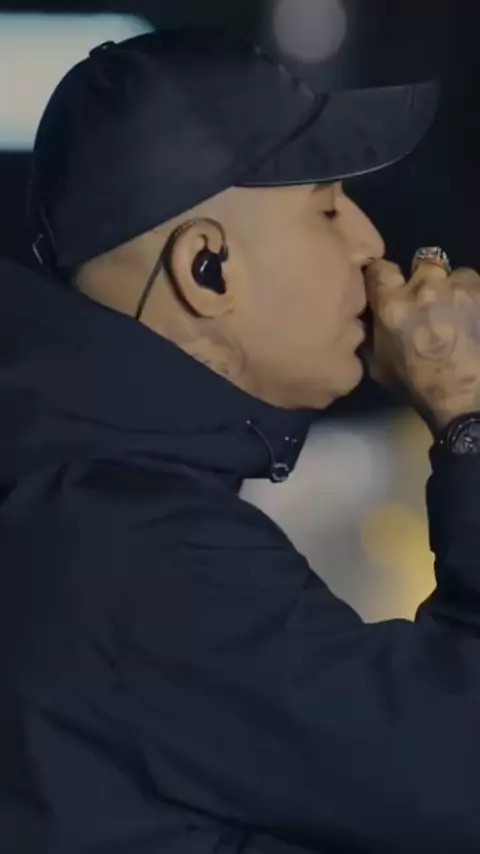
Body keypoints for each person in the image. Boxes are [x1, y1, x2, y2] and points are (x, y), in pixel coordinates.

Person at [1, 25, 480, 854]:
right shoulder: (136, 548)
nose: (370, 243)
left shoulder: (70, 491)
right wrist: (466, 411)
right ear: (208, 269)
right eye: (326, 207)